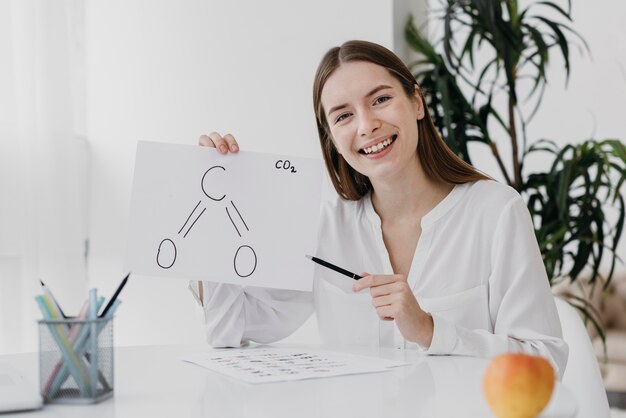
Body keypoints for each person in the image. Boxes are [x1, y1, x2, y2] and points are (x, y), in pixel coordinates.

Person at [189, 40, 568, 377]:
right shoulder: (326, 228)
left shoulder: (496, 211)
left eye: (381, 100)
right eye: (343, 116)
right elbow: (231, 327)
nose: (367, 125)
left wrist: (430, 330)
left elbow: (544, 360)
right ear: (333, 139)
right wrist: (219, 211)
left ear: (416, 102)